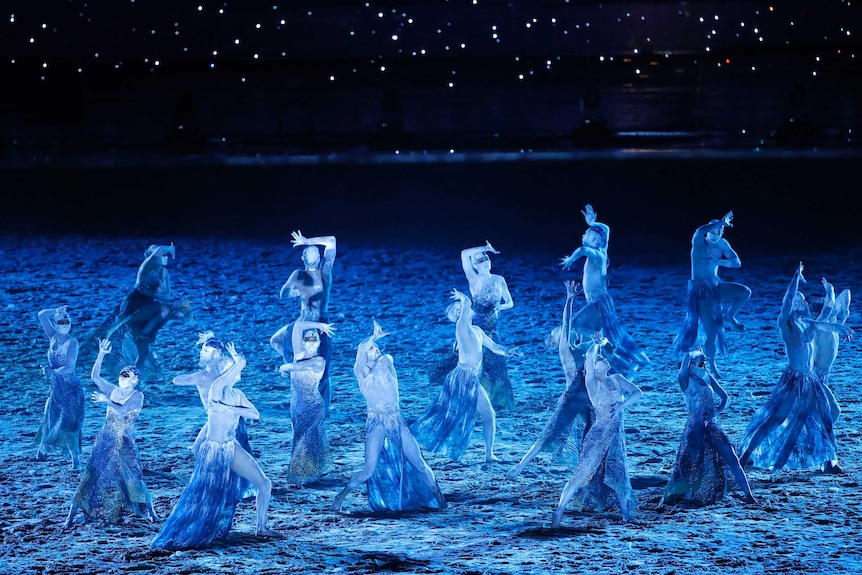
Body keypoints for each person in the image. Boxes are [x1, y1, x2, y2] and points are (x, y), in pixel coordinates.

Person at [152, 342, 278, 549]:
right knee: (205, 496)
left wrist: (231, 407)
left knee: (265, 484)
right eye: (229, 369)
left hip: (231, 445)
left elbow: (255, 414)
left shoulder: (237, 395)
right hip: (214, 450)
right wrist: (236, 359)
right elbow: (239, 366)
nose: (234, 372)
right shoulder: (217, 388)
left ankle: (261, 526)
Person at [738, 263, 853, 474]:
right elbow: (788, 300)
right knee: (776, 418)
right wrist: (795, 279)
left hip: (810, 380)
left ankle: (829, 462)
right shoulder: (786, 324)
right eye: (799, 300)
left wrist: (840, 326)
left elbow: (825, 324)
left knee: (828, 414)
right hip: (793, 381)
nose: (803, 302)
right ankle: (744, 457)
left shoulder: (806, 322)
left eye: (803, 300)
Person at [331, 321, 446, 512]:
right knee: (368, 469)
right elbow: (361, 349)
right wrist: (373, 337)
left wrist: (373, 344)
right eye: (372, 348)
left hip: (396, 419)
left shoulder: (386, 361)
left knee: (419, 462)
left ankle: (439, 499)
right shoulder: (361, 373)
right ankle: (340, 497)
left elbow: (374, 357)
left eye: (376, 347)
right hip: (376, 421)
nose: (376, 349)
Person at [64, 340, 157, 527]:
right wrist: (101, 354)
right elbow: (95, 376)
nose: (122, 378)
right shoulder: (113, 390)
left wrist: (106, 400)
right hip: (106, 437)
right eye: (122, 375)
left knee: (134, 476)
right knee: (92, 474)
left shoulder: (138, 396)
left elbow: (122, 410)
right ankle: (70, 516)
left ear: (135, 379)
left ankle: (152, 513)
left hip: (124, 439)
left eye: (127, 375)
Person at [507, 282, 595, 480]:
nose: (568, 331)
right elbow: (566, 323)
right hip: (571, 399)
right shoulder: (566, 349)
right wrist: (570, 299)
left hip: (588, 400)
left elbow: (601, 342)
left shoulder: (583, 347)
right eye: (561, 332)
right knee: (549, 434)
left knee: (587, 436)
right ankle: (519, 467)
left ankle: (586, 473)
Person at [411, 289, 511, 463]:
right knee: (451, 417)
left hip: (470, 378)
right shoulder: (461, 328)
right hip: (462, 378)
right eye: (456, 312)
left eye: (459, 309)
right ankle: (411, 434)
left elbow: (494, 347)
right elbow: (467, 306)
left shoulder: (477, 331)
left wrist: (508, 352)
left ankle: (489, 455)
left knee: (487, 414)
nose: (460, 312)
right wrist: (464, 300)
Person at [551, 337, 641, 528]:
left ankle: (626, 515)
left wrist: (621, 406)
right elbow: (590, 359)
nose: (603, 358)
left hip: (616, 437)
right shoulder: (593, 384)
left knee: (618, 473)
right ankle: (559, 510)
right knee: (581, 473)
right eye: (599, 359)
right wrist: (595, 345)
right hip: (599, 435)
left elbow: (638, 392)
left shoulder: (617, 379)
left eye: (602, 358)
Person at [560, 204, 649, 375]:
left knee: (577, 325)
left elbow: (582, 250)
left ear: (596, 242)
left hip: (598, 302)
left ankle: (614, 362)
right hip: (599, 301)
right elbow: (606, 229)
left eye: (589, 235)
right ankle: (600, 365)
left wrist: (571, 259)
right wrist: (592, 222)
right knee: (592, 335)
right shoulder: (602, 250)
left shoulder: (597, 254)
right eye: (586, 233)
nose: (584, 235)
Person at [661, 350, 756, 506]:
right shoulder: (684, 379)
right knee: (689, 464)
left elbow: (726, 398)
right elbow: (686, 356)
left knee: (732, 458)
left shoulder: (706, 378)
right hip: (694, 428)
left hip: (712, 425)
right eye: (700, 363)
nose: (702, 366)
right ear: (690, 365)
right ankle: (680, 495)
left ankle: (749, 495)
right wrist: (697, 352)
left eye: (703, 363)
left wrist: (716, 411)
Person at [171, 331, 256, 500]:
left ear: (216, 355)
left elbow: (177, 380)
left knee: (228, 453)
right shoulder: (221, 369)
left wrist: (197, 377)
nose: (201, 353)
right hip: (220, 418)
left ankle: (224, 485)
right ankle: (228, 484)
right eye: (202, 350)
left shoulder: (205, 375)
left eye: (205, 351)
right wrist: (210, 338)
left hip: (225, 419)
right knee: (209, 450)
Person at [674, 211, 751, 377]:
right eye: (714, 232)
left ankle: (730, 315)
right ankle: (712, 365)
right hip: (699, 291)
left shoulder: (722, 243)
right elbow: (700, 229)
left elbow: (737, 262)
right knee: (712, 334)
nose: (716, 236)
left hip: (715, 285)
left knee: (744, 292)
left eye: (720, 232)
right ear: (708, 232)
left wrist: (720, 261)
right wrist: (721, 222)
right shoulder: (699, 242)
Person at [271, 231, 337, 417]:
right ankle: (295, 371)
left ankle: (324, 410)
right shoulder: (298, 274)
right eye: (309, 251)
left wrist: (307, 241)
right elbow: (283, 293)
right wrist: (296, 292)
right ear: (303, 257)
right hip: (302, 320)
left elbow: (331, 240)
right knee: (276, 341)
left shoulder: (324, 272)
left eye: (316, 251)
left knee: (324, 369)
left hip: (320, 321)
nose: (313, 253)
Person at [111, 243, 188, 370]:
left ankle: (136, 379)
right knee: (169, 310)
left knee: (143, 352)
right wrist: (170, 248)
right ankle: (144, 333)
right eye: (162, 255)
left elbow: (166, 296)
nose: (166, 257)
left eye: (165, 255)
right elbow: (158, 251)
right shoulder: (146, 267)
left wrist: (152, 293)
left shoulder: (162, 272)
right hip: (134, 305)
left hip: (147, 310)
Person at [460, 241, 515, 412]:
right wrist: (485, 248)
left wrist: (501, 307)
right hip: (476, 326)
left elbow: (510, 302)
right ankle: (471, 400)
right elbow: (464, 252)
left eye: (486, 258)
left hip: (493, 326)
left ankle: (494, 401)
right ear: (475, 266)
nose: (484, 261)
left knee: (496, 363)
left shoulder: (499, 280)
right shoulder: (473, 278)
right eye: (479, 260)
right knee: (477, 363)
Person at [278, 320, 336, 484]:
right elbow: (297, 326)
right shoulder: (298, 355)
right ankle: (312, 473)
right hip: (296, 406)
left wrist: (286, 367)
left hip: (313, 406)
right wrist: (320, 326)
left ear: (318, 343)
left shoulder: (319, 361)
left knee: (304, 441)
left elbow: (295, 368)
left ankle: (303, 477)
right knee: (304, 439)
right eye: (307, 339)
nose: (310, 341)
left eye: (314, 339)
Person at [35, 305, 84, 470]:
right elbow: (42, 315)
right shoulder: (53, 337)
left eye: (67, 321)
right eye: (61, 321)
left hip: (70, 389)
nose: (65, 324)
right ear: (55, 324)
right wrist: (56, 311)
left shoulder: (72, 342)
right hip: (56, 388)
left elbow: (69, 367)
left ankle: (75, 461)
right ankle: (43, 449)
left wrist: (51, 371)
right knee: (49, 415)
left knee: (69, 424)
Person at [812, 278, 852, 385]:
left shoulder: (832, 320)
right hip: (819, 371)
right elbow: (830, 301)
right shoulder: (821, 321)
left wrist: (845, 312)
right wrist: (829, 287)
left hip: (823, 371)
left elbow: (846, 292)